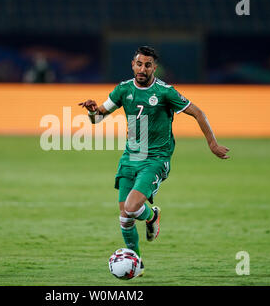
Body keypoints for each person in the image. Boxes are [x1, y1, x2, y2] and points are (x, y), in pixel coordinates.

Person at [79, 46, 230, 276]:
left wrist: (213, 144)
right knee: (124, 218)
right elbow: (97, 117)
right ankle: (137, 264)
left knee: (131, 207)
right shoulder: (123, 89)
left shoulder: (165, 92)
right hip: (131, 157)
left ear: (154, 68)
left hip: (156, 159)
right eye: (139, 64)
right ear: (133, 65)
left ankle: (152, 216)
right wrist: (92, 111)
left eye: (147, 65)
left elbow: (198, 112)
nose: (142, 68)